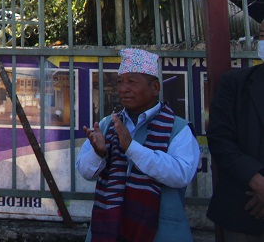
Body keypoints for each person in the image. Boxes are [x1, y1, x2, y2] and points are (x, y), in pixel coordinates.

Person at [76, 48, 199, 241]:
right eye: (120, 82)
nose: (123, 89)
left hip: (161, 232)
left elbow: (181, 174)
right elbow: (85, 172)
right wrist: (98, 153)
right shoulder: (108, 123)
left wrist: (132, 147)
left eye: (132, 82)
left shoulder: (178, 128)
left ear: (155, 88)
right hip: (110, 230)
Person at [206, 19, 264, 240]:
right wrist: (256, 180)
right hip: (244, 208)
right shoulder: (235, 83)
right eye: (262, 35)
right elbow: (220, 139)